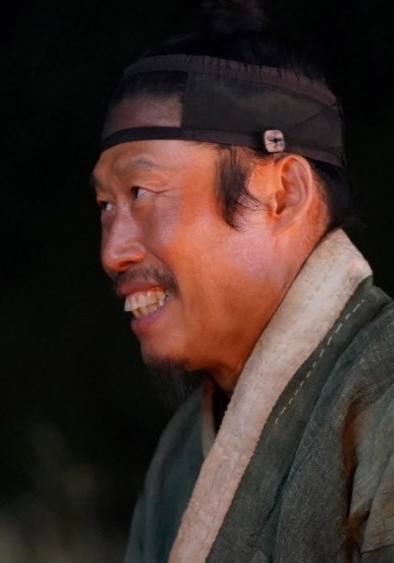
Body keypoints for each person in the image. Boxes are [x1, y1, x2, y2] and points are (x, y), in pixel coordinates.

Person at [91, 2, 394, 561]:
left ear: (282, 195)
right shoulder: (181, 450)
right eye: (106, 205)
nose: (113, 252)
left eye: (141, 192)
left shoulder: (383, 393)